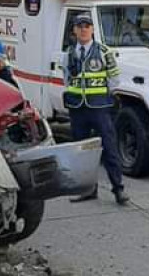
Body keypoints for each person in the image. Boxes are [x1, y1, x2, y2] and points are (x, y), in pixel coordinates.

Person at [62, 12, 129, 206]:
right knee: (82, 152)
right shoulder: (69, 53)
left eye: (87, 26)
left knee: (109, 148)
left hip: (100, 108)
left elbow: (114, 78)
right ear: (74, 30)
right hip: (78, 108)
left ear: (92, 29)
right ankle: (88, 190)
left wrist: (103, 94)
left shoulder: (103, 51)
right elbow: (67, 78)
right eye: (79, 26)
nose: (83, 29)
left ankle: (118, 189)